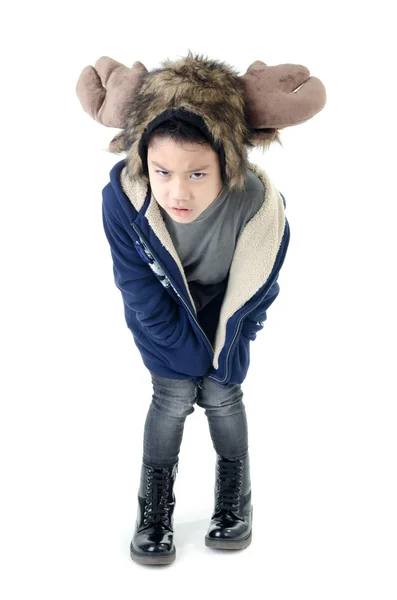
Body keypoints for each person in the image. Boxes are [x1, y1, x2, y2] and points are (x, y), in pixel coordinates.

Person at [76, 51, 326, 565]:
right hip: (163, 311)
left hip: (224, 306)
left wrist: (231, 344)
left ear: (227, 165)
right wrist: (185, 357)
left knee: (222, 394)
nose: (176, 191)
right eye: (163, 172)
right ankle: (154, 508)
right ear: (144, 162)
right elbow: (139, 289)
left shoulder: (257, 203)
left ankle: (235, 499)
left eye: (197, 174)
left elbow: (260, 286)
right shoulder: (124, 200)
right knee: (171, 397)